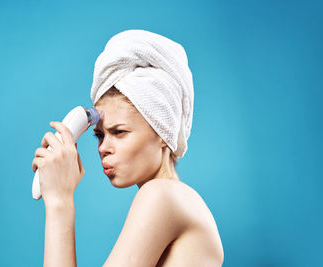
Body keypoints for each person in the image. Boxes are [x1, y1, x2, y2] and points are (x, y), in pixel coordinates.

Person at [32, 29, 224, 266]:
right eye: (99, 135)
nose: (103, 148)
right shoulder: (177, 199)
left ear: (163, 133)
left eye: (119, 132)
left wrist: (59, 201)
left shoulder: (161, 196)